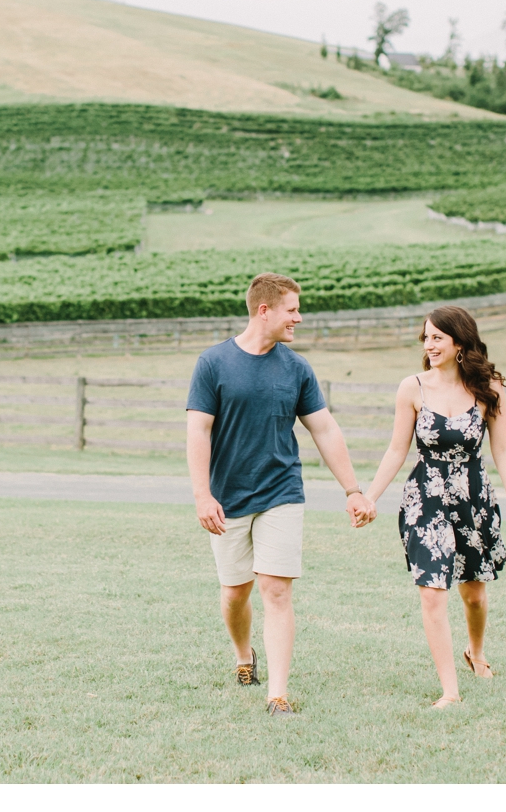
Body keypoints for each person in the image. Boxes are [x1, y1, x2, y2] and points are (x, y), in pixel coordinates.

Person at [186, 272, 373, 717]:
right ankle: (244, 656)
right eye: (292, 309)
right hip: (227, 497)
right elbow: (198, 430)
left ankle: (278, 694)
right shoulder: (213, 363)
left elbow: (324, 429)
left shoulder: (296, 368)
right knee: (236, 593)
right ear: (264, 310)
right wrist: (202, 495)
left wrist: (352, 489)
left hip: (282, 492)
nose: (299, 318)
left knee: (276, 591)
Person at [356, 305, 506, 708]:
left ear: (460, 343)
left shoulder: (489, 389)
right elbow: (397, 449)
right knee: (432, 592)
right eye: (426, 336)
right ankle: (450, 691)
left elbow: (502, 450)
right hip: (425, 498)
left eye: (438, 337)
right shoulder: (411, 388)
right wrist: (369, 497)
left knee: (474, 595)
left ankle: (476, 652)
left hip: (473, 497)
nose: (429, 344)